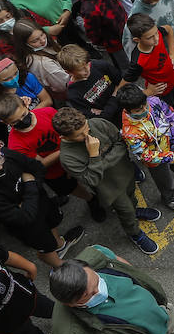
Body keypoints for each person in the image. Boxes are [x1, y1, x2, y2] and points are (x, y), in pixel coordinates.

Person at [50, 107, 162, 257]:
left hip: (126, 173)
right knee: (125, 211)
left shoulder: (98, 123)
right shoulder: (68, 157)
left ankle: (135, 210)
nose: (87, 134)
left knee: (132, 197)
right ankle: (134, 233)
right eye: (79, 135)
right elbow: (92, 179)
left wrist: (100, 163)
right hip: (109, 189)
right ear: (63, 137)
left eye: (86, 128)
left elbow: (122, 144)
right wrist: (94, 155)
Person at [0, 136, 82, 269]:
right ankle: (60, 267)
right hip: (28, 228)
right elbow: (24, 217)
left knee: (52, 224)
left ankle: (60, 245)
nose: (0, 167)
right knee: (45, 247)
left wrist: (26, 201)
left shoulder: (5, 154)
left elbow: (37, 168)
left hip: (42, 203)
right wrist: (29, 183)